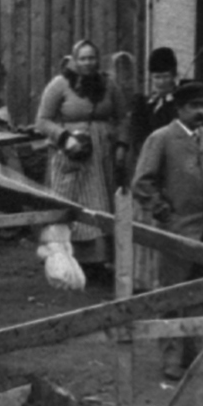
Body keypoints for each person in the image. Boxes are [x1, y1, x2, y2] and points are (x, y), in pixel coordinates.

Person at [131, 80, 203, 381]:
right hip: (177, 231)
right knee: (172, 296)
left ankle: (194, 354)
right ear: (179, 109)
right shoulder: (161, 139)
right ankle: (170, 358)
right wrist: (163, 211)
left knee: (200, 295)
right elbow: (142, 182)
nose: (200, 112)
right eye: (193, 107)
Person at [37, 39, 121, 275]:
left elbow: (123, 116)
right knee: (69, 202)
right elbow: (42, 121)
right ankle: (65, 259)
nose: (87, 63)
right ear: (74, 60)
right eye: (82, 58)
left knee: (100, 202)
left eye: (91, 58)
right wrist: (65, 138)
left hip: (102, 154)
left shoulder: (109, 85)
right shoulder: (60, 85)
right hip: (70, 153)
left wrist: (121, 143)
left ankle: (99, 259)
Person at [124, 46, 181, 161]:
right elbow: (137, 134)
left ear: (174, 76)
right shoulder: (146, 104)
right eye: (157, 77)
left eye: (166, 76)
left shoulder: (179, 103)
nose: (161, 82)